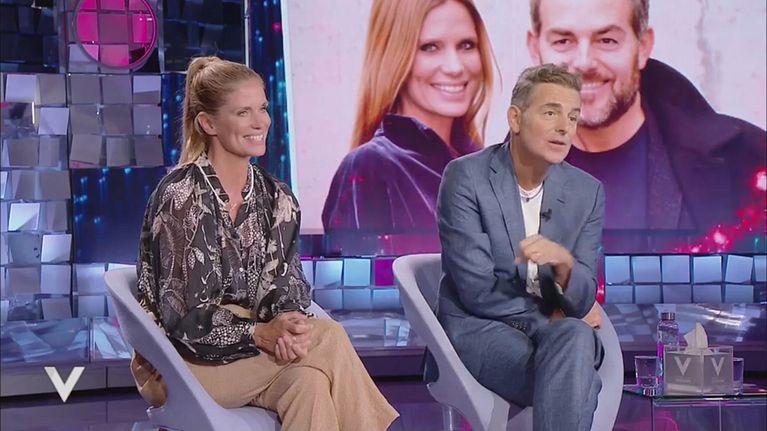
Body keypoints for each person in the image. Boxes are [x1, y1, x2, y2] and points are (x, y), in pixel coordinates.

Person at [131, 56, 398, 431]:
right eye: (243, 112)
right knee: (329, 339)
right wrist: (260, 333)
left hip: (254, 356)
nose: (261, 122)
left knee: (309, 384)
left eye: (263, 108)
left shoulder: (277, 197)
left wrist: (287, 325)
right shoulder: (181, 196)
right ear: (208, 123)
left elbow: (285, 287)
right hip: (181, 363)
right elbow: (186, 319)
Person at [437, 64, 604, 431]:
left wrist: (565, 265)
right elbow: (478, 291)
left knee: (575, 340)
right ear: (515, 118)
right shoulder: (466, 178)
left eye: (573, 117)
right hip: (481, 331)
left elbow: (583, 296)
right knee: (580, 377)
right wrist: (554, 311)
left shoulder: (587, 192)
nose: (565, 128)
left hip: (556, 337)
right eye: (551, 113)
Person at [526, 0, 766, 238]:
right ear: (535, 50)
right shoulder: (507, 184)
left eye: (607, 40)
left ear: (643, 46)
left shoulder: (748, 163)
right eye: (563, 41)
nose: (584, 63)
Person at [322, 0, 495, 233]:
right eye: (430, 47)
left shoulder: (488, 167)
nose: (455, 67)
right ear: (393, 55)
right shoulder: (369, 169)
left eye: (466, 45)